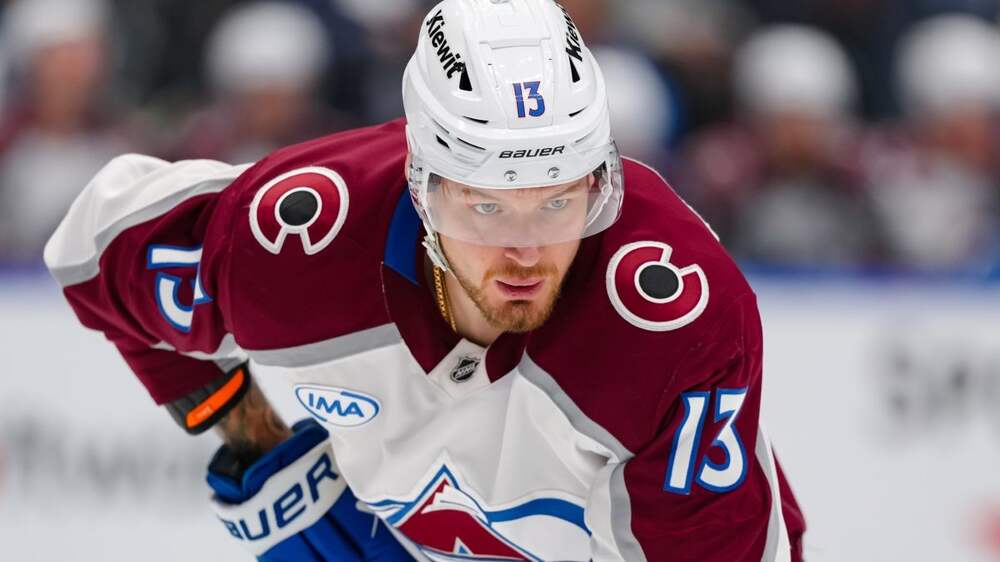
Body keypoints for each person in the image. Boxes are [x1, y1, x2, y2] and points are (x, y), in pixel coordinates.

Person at [44, 1, 805, 560]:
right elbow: (95, 254)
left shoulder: (673, 316)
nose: (526, 254)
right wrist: (253, 436)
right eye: (486, 206)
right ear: (422, 186)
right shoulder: (300, 240)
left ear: (599, 183)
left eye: (557, 202)